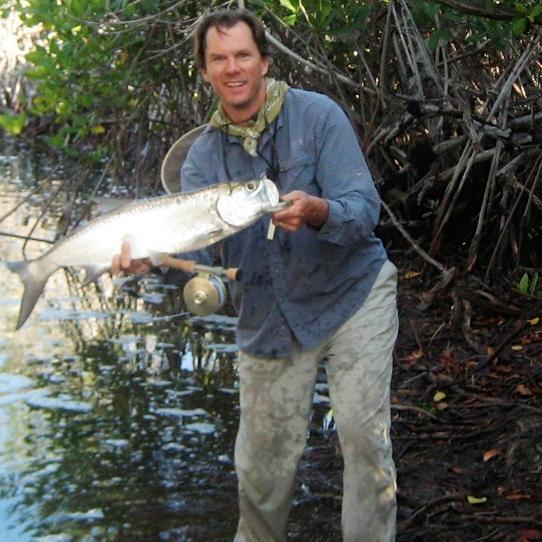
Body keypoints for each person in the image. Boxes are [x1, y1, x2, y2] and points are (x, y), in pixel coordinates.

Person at [113, 8, 399, 541]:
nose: (232, 67)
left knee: (365, 440)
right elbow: (207, 261)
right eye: (218, 58)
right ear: (204, 71)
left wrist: (317, 211)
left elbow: (364, 211)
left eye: (243, 55)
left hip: (352, 295)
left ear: (264, 62)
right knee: (262, 470)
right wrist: (148, 259)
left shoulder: (319, 116)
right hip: (269, 314)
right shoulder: (199, 163)